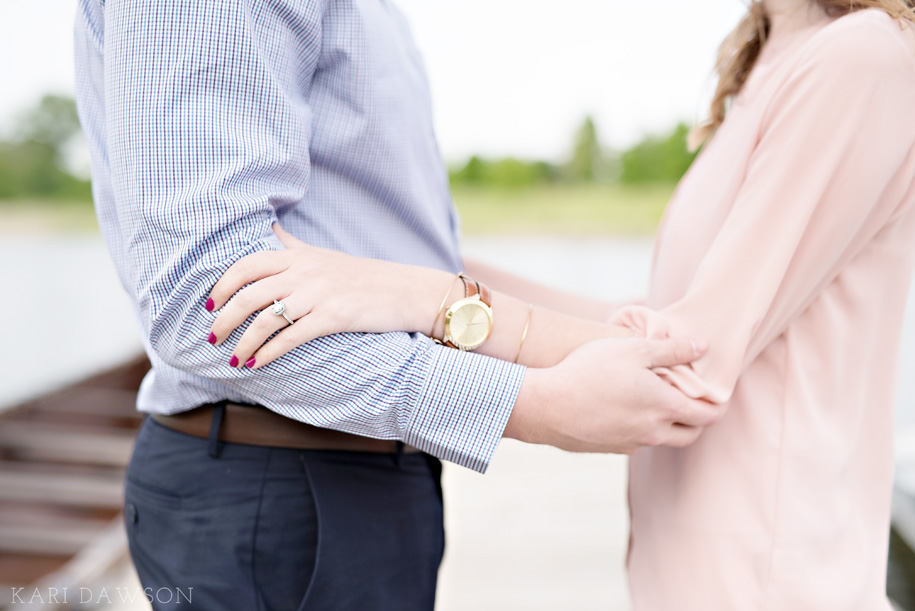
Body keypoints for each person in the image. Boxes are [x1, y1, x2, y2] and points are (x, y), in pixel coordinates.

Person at [208, 0, 915, 608]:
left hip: (772, 577)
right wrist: (399, 274)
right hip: (702, 570)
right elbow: (637, 318)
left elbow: (685, 361)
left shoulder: (862, 56)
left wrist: (428, 299)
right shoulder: (777, 52)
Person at [73, 0, 719, 609]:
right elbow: (206, 296)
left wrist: (604, 328)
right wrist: (532, 405)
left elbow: (403, 264)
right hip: (280, 486)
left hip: (342, 481)